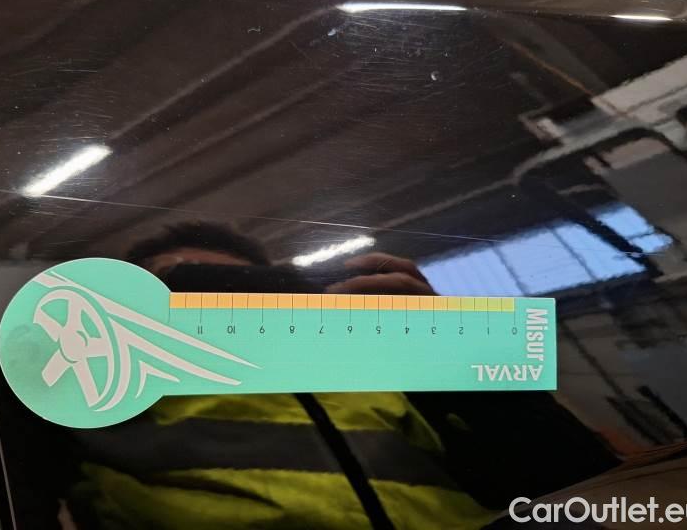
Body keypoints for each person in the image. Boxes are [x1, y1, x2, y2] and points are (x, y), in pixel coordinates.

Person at [66, 221, 496, 530]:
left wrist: (449, 345)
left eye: (238, 284)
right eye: (186, 284)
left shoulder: (366, 370)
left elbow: (526, 467)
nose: (213, 303)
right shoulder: (105, 386)